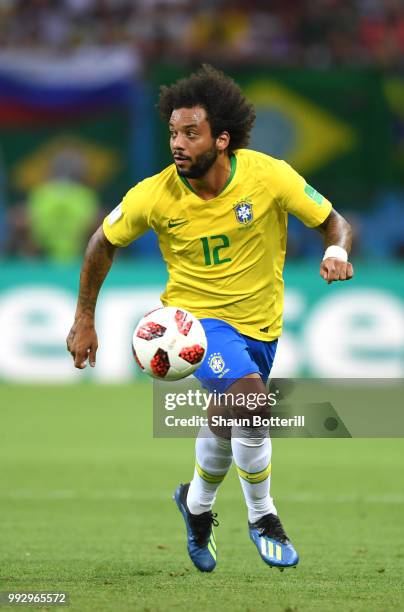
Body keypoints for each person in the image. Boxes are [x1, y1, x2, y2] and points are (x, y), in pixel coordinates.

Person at [66, 65, 353, 573]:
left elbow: (334, 220)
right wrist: (84, 317)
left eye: (190, 133)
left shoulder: (269, 176)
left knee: (228, 421)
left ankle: (196, 506)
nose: (178, 143)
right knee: (250, 402)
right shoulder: (152, 195)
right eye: (173, 132)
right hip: (195, 325)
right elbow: (102, 242)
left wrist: (335, 249)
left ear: (222, 139)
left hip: (262, 327)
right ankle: (263, 517)